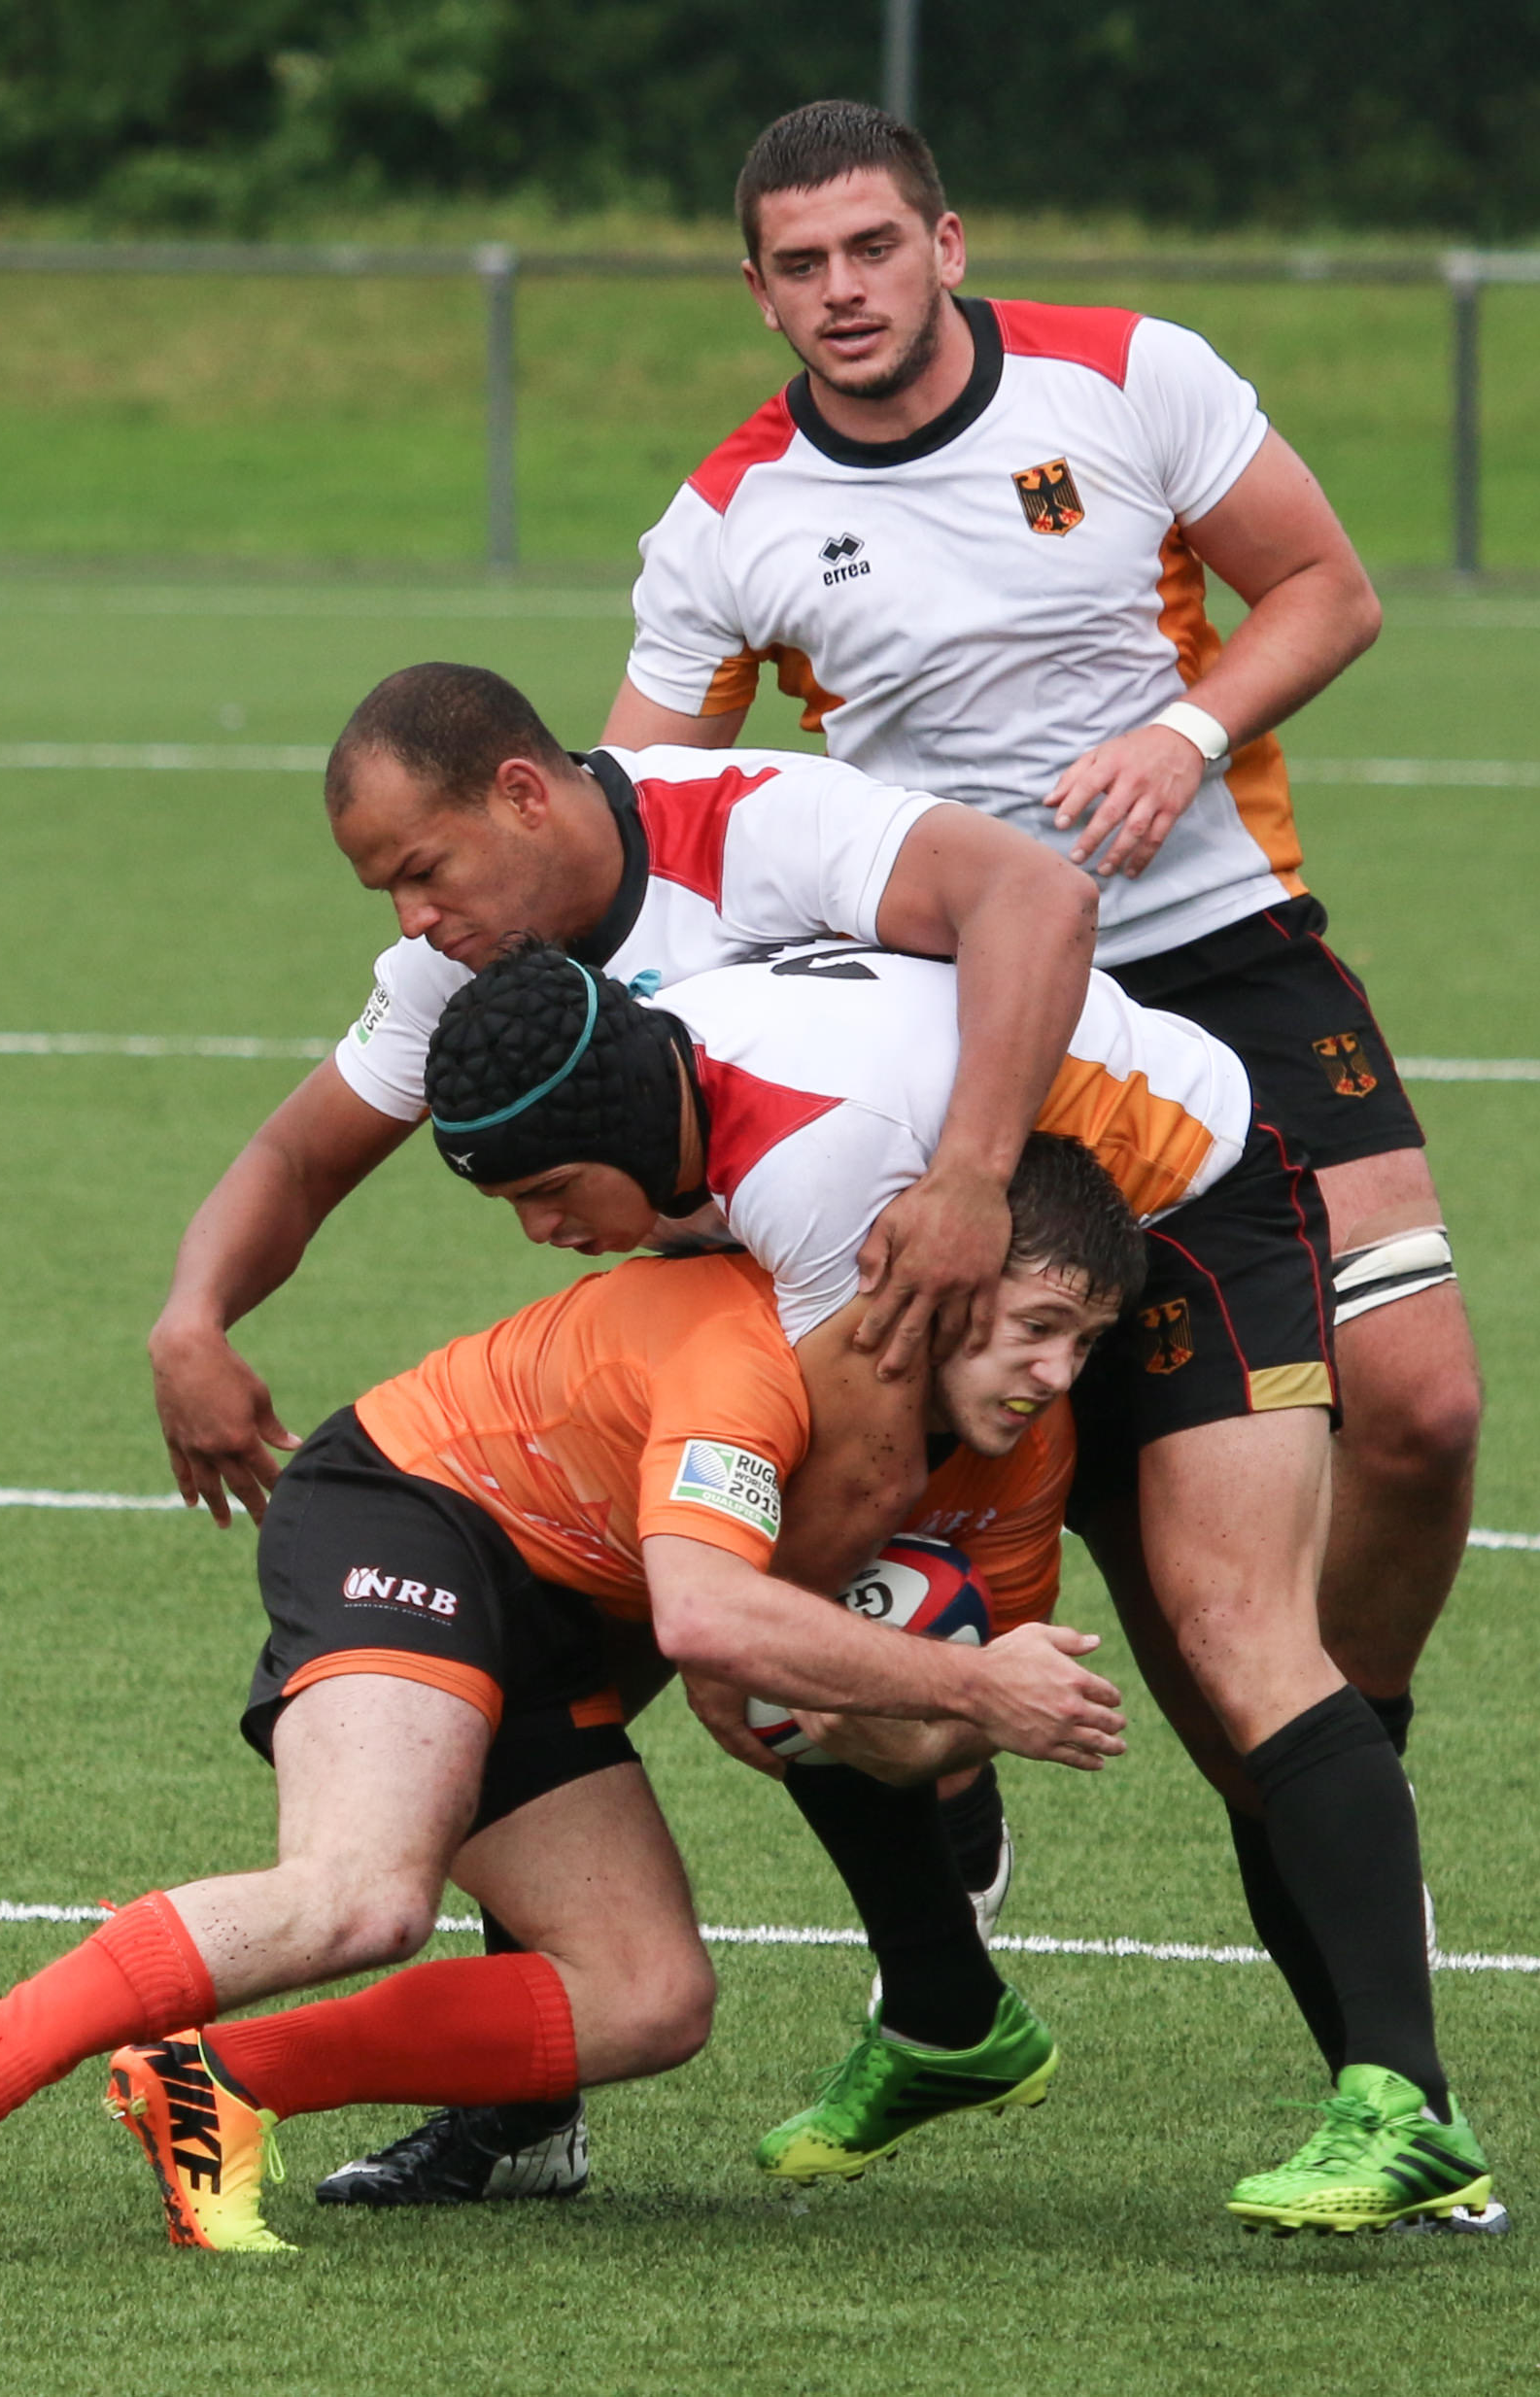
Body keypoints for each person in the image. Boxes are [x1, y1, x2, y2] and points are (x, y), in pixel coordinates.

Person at [601, 100, 1483, 2017]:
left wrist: (1184, 732)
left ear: (947, 243)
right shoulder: (729, 516)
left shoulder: (1128, 375)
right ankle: (957, 1748)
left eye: (873, 247)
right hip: (956, 1007)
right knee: (975, 1440)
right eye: (801, 265)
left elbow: (1327, 590)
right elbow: (634, 812)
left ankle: (1353, 1739)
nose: (844, 289)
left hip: (1223, 951)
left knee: (1418, 1407)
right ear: (756, 292)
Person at [0, 1147, 1139, 2268]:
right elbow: (709, 1623)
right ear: (946, 1282)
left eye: (1085, 1342)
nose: (1059, 1373)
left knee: (651, 1998)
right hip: (415, 1511)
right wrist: (958, 1681)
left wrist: (883, 1718)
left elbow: (923, 1730)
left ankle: (218, 2079)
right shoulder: (756, 1351)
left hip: (559, 1613)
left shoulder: (1023, 1454)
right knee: (360, 1896)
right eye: (1036, 1328)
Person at [161, 660, 1093, 2200]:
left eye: (423, 870)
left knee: (1201, 1646)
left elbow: (1037, 900)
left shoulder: (756, 824)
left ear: (523, 796)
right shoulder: (460, 969)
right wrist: (193, 1321)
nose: (412, 917)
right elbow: (301, 1155)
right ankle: (565, 2105)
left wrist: (976, 1179)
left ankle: (1375, 2083)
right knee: (573, 1659)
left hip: (1007, 1254)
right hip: (756, 1340)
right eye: (386, 889)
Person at [425, 938, 1502, 2233]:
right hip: (1012, 1260)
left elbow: (872, 1473)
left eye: (549, 1193)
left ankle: (1408, 2112)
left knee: (1237, 1639)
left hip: (1191, 1209)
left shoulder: (803, 1157)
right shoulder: (658, 1096)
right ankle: (940, 2014)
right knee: (800, 1615)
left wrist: (737, 1644)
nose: (542, 1231)